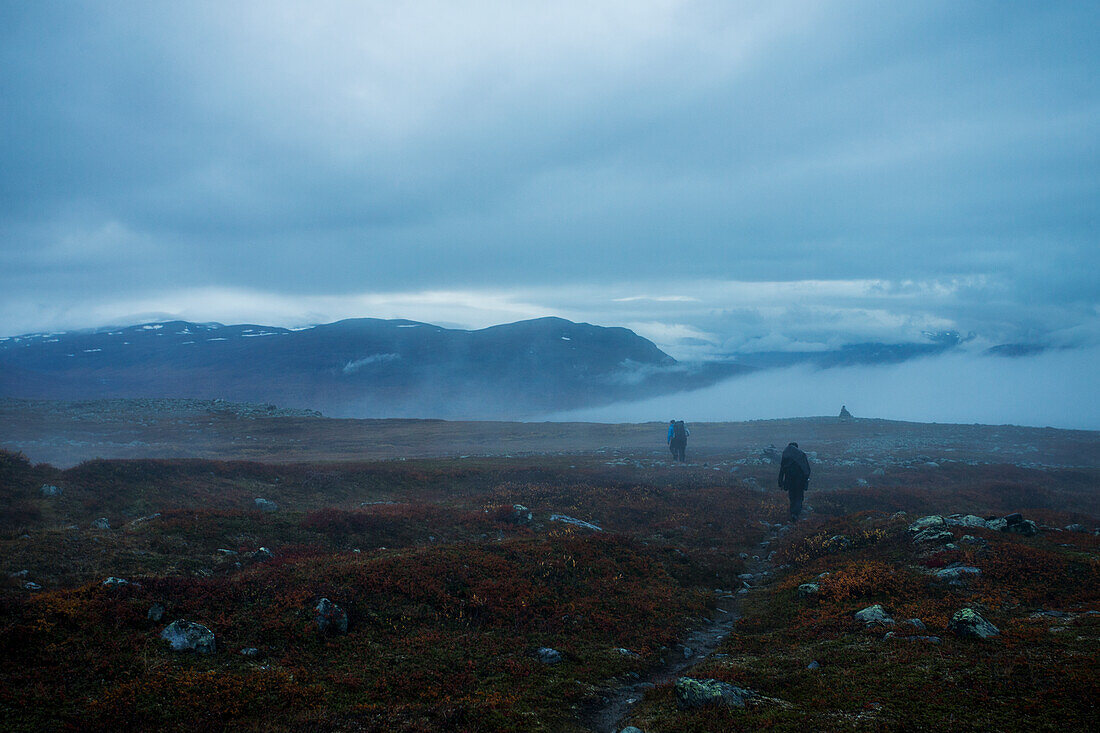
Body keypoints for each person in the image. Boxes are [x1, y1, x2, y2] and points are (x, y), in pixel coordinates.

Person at [777, 441, 811, 521]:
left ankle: (793, 513)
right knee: (799, 496)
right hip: (800, 481)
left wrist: (780, 482)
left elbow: (782, 470)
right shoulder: (801, 455)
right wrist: (806, 481)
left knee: (792, 496)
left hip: (789, 480)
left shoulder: (786, 454)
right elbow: (807, 470)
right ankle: (796, 513)